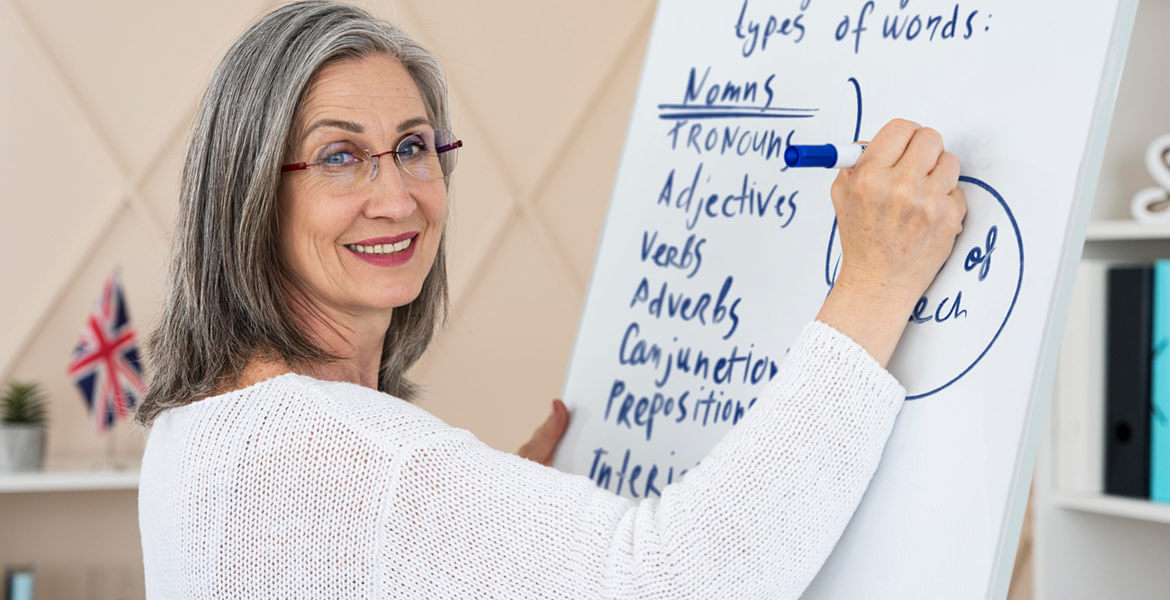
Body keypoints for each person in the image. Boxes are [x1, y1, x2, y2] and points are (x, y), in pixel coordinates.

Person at [135, 2, 966, 598]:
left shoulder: (197, 429)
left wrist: (470, 543)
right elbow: (679, 584)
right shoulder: (364, 464)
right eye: (339, 158)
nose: (397, 197)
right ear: (249, 196)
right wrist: (876, 283)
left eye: (414, 147)